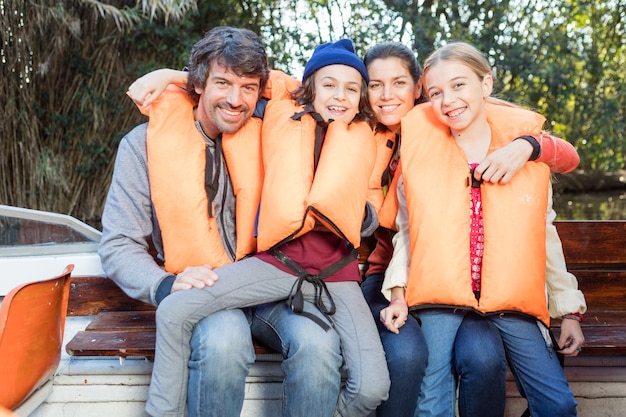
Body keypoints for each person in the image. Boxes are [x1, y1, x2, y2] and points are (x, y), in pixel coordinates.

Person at [99, 27, 343, 417]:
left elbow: (326, 93)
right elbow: (118, 244)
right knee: (224, 342)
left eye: (248, 87)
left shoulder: (275, 131)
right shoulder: (142, 145)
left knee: (320, 344)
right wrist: (162, 284)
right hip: (206, 291)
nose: (235, 99)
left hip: (270, 290)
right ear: (197, 83)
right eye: (223, 83)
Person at [140, 38, 390, 417]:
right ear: (309, 87)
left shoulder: (367, 135)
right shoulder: (284, 105)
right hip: (278, 264)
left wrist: (359, 215)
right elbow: (236, 79)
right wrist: (171, 75)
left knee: (373, 387)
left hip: (338, 276)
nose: (340, 96)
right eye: (329, 85)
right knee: (174, 310)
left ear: (362, 96)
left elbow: (372, 203)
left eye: (352, 88)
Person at [361, 42, 585, 417]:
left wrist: (569, 312)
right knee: (432, 404)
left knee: (559, 406)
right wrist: (398, 295)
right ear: (426, 97)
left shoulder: (525, 156)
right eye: (436, 93)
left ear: (485, 84)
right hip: (438, 300)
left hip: (511, 305)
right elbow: (409, 235)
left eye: (459, 85)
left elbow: (544, 237)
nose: (448, 100)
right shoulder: (420, 154)